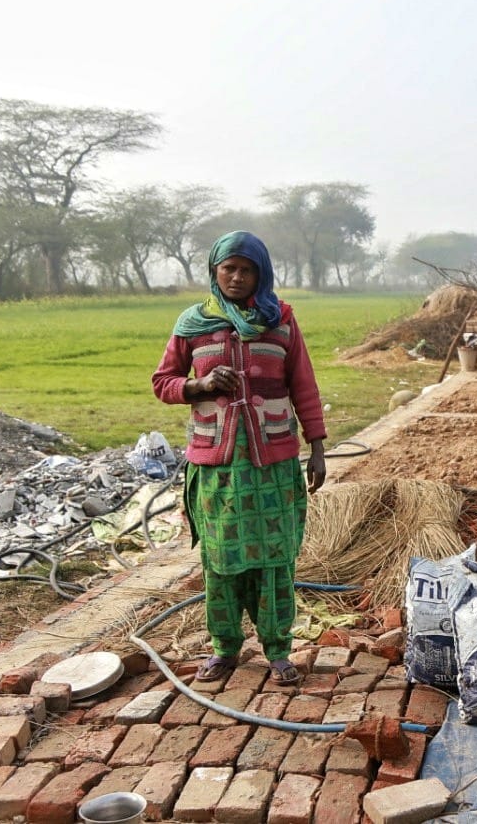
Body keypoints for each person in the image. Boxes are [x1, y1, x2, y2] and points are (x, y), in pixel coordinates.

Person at [152, 230, 327, 685]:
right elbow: (163, 381)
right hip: (218, 468)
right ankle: (225, 649)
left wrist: (318, 445)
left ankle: (278, 650)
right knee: (221, 560)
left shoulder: (281, 321)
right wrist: (200, 386)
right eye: (228, 268)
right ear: (214, 271)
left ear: (260, 274)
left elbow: (303, 386)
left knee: (274, 559)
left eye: (246, 269)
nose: (236, 277)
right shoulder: (193, 322)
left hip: (272, 464)